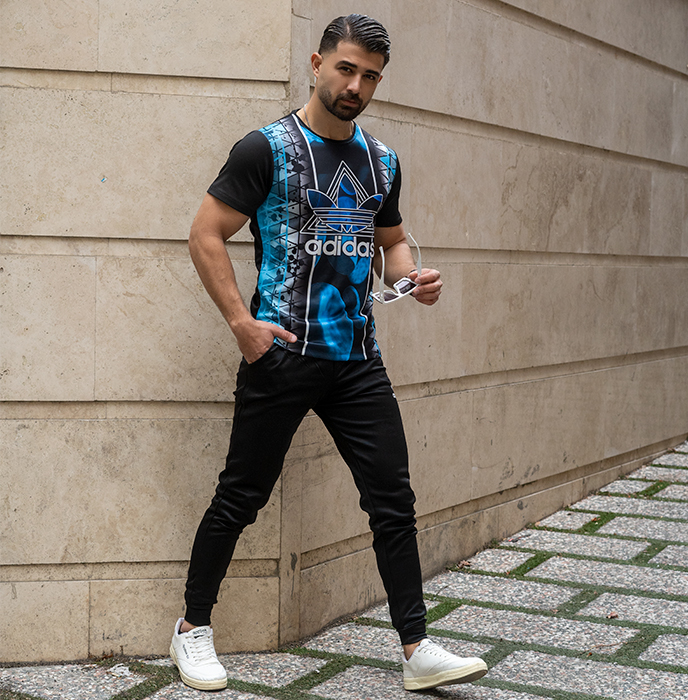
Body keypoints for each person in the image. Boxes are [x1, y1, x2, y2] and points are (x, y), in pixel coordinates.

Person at [169, 13, 488, 692]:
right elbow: (205, 234)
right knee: (241, 496)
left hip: (357, 359)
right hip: (282, 353)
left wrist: (411, 279)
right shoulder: (267, 149)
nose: (356, 86)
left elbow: (391, 241)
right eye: (346, 69)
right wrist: (242, 324)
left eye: (370, 76)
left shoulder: (382, 161)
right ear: (317, 64)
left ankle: (416, 648)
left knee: (392, 499)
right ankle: (192, 629)